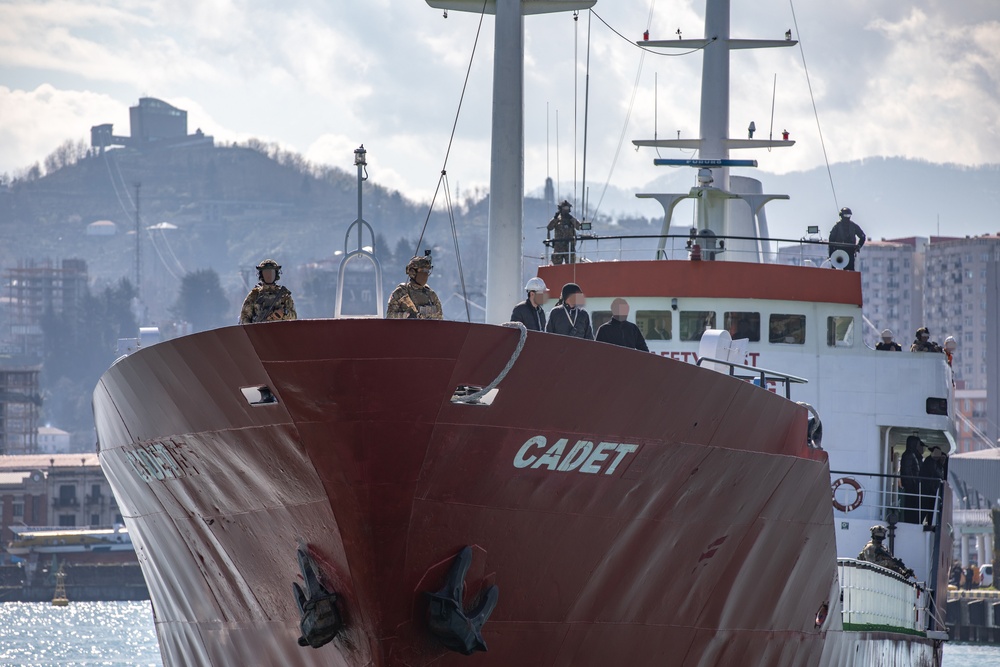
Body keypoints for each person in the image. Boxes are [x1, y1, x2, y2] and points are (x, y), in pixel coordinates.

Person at [239, 258, 297, 324]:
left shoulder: (284, 295)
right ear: (261, 275)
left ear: (276, 274)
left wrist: (284, 313)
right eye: (266, 273)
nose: (269, 276)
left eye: (271, 273)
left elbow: (294, 317)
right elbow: (244, 317)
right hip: (258, 332)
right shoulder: (254, 295)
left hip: (280, 332)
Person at [386, 255, 443, 320]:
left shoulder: (431, 295)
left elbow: (439, 319)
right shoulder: (401, 292)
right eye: (422, 271)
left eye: (427, 271)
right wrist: (407, 316)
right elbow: (389, 316)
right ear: (412, 272)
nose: (425, 274)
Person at [828, 207, 866, 271]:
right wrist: (831, 254)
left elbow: (862, 236)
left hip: (850, 251)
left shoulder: (853, 226)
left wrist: (857, 247)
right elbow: (831, 239)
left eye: (848, 215)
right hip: (838, 251)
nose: (847, 217)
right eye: (845, 215)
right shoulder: (837, 226)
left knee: (850, 271)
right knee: (835, 270)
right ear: (841, 215)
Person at [547, 200, 582, 265]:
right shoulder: (557, 219)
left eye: (567, 209)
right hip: (558, 247)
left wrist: (571, 218)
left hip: (569, 247)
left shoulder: (571, 219)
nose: (565, 211)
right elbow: (549, 227)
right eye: (564, 209)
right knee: (557, 266)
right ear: (560, 209)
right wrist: (555, 218)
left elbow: (579, 227)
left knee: (570, 266)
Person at [919, 446, 946, 526]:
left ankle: (930, 524)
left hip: (931, 491)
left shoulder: (933, 462)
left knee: (931, 510)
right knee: (927, 510)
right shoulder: (930, 461)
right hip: (928, 491)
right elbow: (937, 474)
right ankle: (928, 524)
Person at [899, 435, 924, 524]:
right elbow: (907, 471)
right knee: (910, 506)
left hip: (913, 486)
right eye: (917, 444)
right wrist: (913, 484)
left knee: (913, 507)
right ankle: (910, 521)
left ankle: (913, 520)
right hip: (911, 487)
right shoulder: (909, 455)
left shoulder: (912, 455)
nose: (918, 446)